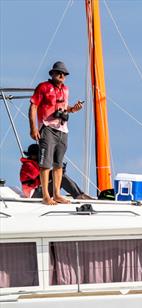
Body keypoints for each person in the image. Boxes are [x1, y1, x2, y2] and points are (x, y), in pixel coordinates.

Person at [29, 61, 84, 205]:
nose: (62, 75)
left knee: (58, 164)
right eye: (59, 72)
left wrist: (73, 109)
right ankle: (46, 196)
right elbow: (34, 106)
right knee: (45, 163)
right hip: (47, 128)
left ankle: (57, 194)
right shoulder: (43, 87)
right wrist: (33, 128)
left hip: (62, 129)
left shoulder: (66, 89)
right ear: (52, 73)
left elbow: (65, 108)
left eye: (64, 73)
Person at [19, 144, 90, 200]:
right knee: (60, 178)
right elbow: (41, 177)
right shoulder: (28, 165)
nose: (41, 157)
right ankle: (79, 195)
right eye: (39, 155)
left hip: (39, 191)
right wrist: (55, 173)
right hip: (34, 194)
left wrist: (57, 172)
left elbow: (44, 176)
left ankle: (79, 194)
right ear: (33, 156)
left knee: (59, 176)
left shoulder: (34, 164)